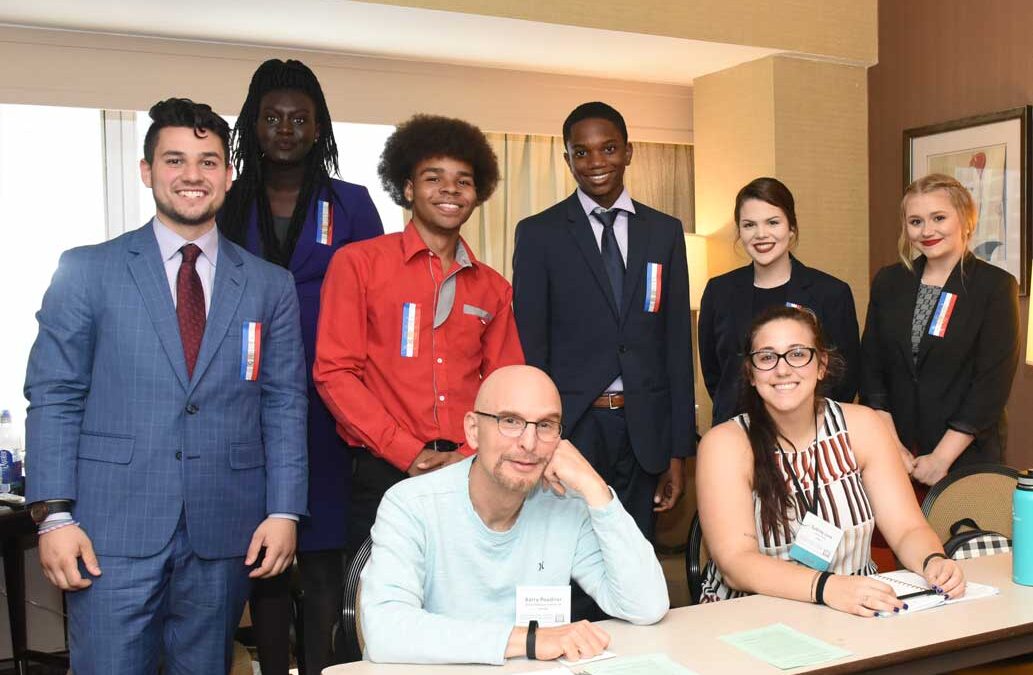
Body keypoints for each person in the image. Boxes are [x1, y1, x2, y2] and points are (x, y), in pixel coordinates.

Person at [24, 98, 308, 673]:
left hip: (224, 530)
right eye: (174, 160)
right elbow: (55, 395)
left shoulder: (269, 286)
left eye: (208, 161)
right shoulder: (86, 269)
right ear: (147, 170)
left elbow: (284, 403)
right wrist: (54, 515)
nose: (192, 175)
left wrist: (285, 511)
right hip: (109, 531)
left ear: (228, 174)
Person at [220, 58, 384, 675]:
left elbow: (378, 300)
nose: (285, 129)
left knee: (322, 561)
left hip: (330, 407)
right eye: (271, 118)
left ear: (319, 128)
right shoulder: (227, 202)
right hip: (245, 401)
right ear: (251, 126)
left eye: (299, 118)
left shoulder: (352, 203)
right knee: (260, 563)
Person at [314, 113, 524, 562]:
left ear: (478, 193)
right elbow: (335, 373)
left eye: (463, 181)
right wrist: (407, 452)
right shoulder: (358, 264)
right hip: (383, 470)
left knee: (467, 602)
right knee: (375, 610)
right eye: (434, 178)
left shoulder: (493, 288)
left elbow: (508, 387)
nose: (450, 190)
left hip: (472, 472)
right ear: (408, 188)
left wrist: (470, 455)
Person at [360, 365, 669, 665]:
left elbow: (647, 605)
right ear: (473, 430)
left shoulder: (563, 503)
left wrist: (596, 489)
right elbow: (384, 630)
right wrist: (530, 640)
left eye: (546, 425)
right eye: (510, 421)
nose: (529, 443)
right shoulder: (411, 505)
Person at [696, 305, 965, 614]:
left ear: (821, 364)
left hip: (858, 611)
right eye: (767, 358)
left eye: (798, 354)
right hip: (755, 616)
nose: (783, 369)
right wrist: (826, 587)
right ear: (751, 374)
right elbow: (736, 562)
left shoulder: (863, 427)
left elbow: (907, 529)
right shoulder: (726, 445)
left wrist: (934, 561)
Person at [512, 101, 693, 542]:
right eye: (582, 152)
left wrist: (678, 450)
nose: (596, 163)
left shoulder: (664, 232)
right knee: (570, 555)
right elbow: (531, 347)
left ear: (628, 152)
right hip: (573, 427)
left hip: (644, 431)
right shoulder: (539, 233)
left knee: (634, 553)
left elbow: (675, 345)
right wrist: (536, 437)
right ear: (568, 158)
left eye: (608, 149)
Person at [861, 173, 1019, 490]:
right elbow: (871, 371)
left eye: (939, 218)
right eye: (915, 221)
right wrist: (894, 447)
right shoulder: (889, 282)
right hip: (895, 453)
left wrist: (941, 459)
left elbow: (990, 384)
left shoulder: (995, 286)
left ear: (966, 219)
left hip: (965, 458)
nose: (927, 231)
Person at [699, 177, 860, 426]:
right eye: (749, 225)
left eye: (773, 222)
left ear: (791, 227)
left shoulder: (831, 293)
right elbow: (716, 374)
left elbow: (844, 379)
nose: (761, 234)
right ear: (739, 231)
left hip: (810, 436)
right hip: (736, 431)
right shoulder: (719, 291)